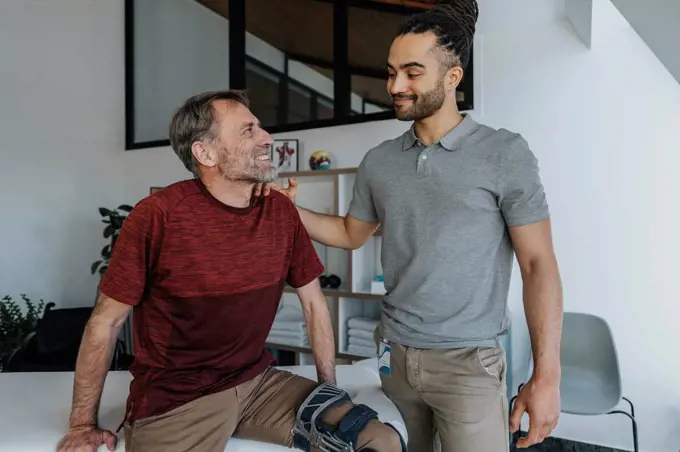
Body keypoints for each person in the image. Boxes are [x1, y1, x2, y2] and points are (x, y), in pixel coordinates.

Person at [258, 2, 563, 451]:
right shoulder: (380, 161)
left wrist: (547, 375)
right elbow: (350, 233)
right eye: (391, 72)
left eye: (412, 72)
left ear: (452, 77)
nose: (395, 86)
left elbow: (538, 263)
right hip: (393, 357)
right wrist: (289, 211)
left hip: (468, 363)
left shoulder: (504, 154)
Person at [56, 90, 406, 452]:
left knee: (379, 439)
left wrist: (327, 387)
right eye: (248, 130)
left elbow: (315, 304)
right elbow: (106, 322)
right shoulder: (157, 216)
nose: (267, 138)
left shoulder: (281, 212)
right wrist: (82, 423)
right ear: (204, 153)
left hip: (259, 383)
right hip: (179, 401)